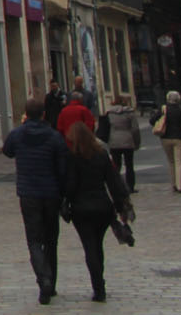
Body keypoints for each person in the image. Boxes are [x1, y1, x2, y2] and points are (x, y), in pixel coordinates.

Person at [2, 96, 69, 305]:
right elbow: (62, 167)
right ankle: (51, 282)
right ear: (43, 114)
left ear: (26, 114)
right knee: (51, 240)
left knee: (34, 240)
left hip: (28, 193)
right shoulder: (54, 136)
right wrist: (65, 193)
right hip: (50, 193)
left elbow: (7, 150)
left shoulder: (18, 134)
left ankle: (43, 279)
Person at [60, 121, 132, 303]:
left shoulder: (73, 157)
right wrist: (120, 205)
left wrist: (65, 201)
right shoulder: (102, 155)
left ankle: (98, 286)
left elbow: (69, 186)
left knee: (89, 246)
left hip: (81, 209)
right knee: (97, 246)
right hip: (102, 207)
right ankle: (100, 282)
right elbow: (114, 182)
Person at [97, 93, 140, 193]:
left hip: (114, 141)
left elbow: (106, 127)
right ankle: (130, 186)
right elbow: (135, 129)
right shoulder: (130, 113)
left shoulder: (109, 113)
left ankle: (116, 185)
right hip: (128, 140)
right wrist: (136, 142)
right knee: (129, 165)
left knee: (116, 165)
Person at [155, 90, 181, 194]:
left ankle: (173, 185)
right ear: (178, 100)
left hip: (165, 137)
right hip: (178, 137)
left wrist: (161, 124)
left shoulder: (163, 110)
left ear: (168, 99)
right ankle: (180, 186)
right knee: (179, 162)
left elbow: (152, 120)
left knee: (171, 162)